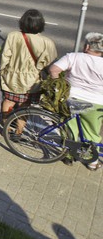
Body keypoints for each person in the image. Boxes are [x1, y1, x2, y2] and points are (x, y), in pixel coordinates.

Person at [49, 32, 103, 171]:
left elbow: (54, 70)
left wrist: (59, 85)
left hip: (72, 99)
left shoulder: (73, 57)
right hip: (96, 103)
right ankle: (91, 161)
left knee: (69, 128)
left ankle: (67, 156)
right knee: (92, 131)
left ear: (87, 47)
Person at [0, 9, 58, 117]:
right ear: (41, 24)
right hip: (32, 80)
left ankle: (6, 123)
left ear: (23, 22)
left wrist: (1, 70)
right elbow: (49, 62)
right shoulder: (47, 43)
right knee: (25, 106)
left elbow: (4, 57)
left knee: (8, 101)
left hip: (11, 77)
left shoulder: (13, 36)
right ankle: (19, 128)